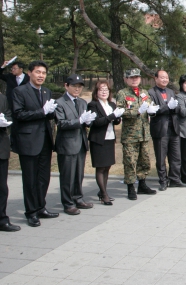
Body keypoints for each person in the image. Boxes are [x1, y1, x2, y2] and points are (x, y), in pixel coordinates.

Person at [12, 60, 59, 227]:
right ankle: (31, 212)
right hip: (29, 141)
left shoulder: (46, 91)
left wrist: (52, 113)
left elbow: (48, 115)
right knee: (30, 179)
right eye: (38, 72)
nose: (41, 76)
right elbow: (19, 114)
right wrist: (42, 112)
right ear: (30, 73)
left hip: (45, 140)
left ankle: (41, 207)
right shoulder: (20, 91)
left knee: (43, 178)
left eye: (44, 73)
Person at [54, 74, 97, 215]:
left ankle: (78, 198)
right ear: (66, 86)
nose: (77, 89)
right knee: (67, 176)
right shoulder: (60, 102)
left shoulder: (82, 102)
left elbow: (85, 122)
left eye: (79, 87)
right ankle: (67, 203)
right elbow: (61, 123)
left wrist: (89, 121)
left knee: (79, 174)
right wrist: (79, 121)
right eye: (74, 86)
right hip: (67, 143)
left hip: (80, 142)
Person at [115, 68, 157, 200]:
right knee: (130, 162)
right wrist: (136, 112)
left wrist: (152, 111)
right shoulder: (122, 93)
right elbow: (120, 111)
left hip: (144, 133)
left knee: (144, 161)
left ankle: (142, 184)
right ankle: (130, 187)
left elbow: (150, 107)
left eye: (137, 77)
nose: (135, 79)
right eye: (131, 77)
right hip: (130, 135)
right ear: (126, 79)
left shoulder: (144, 93)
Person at [148, 70, 186, 191]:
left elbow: (177, 108)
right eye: (162, 77)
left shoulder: (171, 92)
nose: (165, 80)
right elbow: (152, 111)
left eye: (166, 77)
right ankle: (163, 181)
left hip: (173, 128)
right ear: (156, 78)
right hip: (160, 129)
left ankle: (175, 179)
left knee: (176, 156)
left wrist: (176, 107)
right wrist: (167, 107)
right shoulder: (151, 93)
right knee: (161, 157)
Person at [87, 81, 124, 205]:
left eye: (106, 90)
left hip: (110, 138)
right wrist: (112, 116)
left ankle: (103, 191)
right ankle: (104, 194)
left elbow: (115, 122)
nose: (104, 92)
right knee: (100, 167)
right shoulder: (93, 105)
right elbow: (96, 122)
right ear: (96, 92)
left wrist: (118, 118)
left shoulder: (111, 104)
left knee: (107, 166)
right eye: (101, 90)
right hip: (98, 139)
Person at [0, 92, 19, 232]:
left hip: (1, 147)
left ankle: (2, 219)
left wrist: (5, 120)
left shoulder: (2, 97)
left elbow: (8, 114)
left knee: (2, 187)